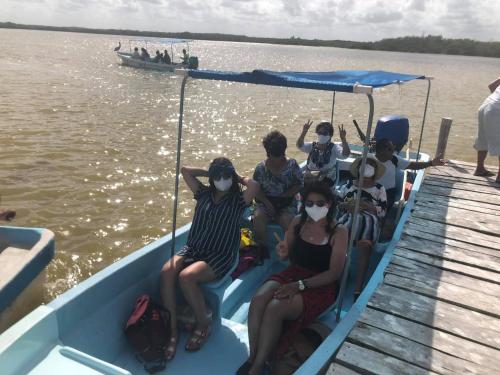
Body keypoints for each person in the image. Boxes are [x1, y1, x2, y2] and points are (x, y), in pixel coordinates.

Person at [237, 182, 348, 375]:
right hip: (295, 273)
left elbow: (334, 273)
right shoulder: (298, 222)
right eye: (309, 203)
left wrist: (300, 286)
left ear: (329, 204)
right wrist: (283, 252)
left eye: (320, 203)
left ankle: (257, 366)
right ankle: (253, 355)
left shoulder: (339, 232)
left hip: (321, 284)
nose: (314, 208)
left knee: (275, 307)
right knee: (258, 299)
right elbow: (286, 255)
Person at [160, 157, 259, 359]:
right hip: (194, 248)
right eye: (218, 176)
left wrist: (237, 176)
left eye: (226, 176)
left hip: (220, 255)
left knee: (186, 277)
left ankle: (204, 324)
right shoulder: (203, 193)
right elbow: (185, 170)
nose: (222, 179)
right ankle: (172, 330)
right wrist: (210, 172)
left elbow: (255, 185)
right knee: (167, 271)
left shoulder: (238, 200)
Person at [336, 156, 387, 299]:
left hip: (369, 221)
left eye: (371, 165)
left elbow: (382, 212)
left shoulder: (379, 189)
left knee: (365, 245)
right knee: (338, 239)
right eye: (364, 164)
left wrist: (365, 205)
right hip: (348, 217)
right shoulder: (347, 185)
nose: (367, 167)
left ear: (375, 171)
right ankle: (337, 277)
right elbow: (339, 204)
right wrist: (348, 205)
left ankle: (358, 289)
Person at [252, 131, 303, 254]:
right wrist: (267, 203)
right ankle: (262, 248)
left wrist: (285, 196)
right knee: (258, 218)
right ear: (268, 152)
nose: (276, 160)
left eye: (279, 155)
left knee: (287, 220)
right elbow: (255, 189)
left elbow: (299, 184)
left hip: (286, 202)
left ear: (283, 151)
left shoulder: (292, 165)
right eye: (272, 155)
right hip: (265, 202)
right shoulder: (260, 168)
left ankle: (290, 249)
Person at [374, 138, 446, 208]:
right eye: (390, 149)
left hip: (388, 193)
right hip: (371, 190)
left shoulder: (394, 159)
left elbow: (413, 165)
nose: (393, 151)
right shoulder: (369, 160)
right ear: (381, 151)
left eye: (393, 148)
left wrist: (431, 163)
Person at [296, 120, 350, 187]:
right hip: (310, 176)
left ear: (330, 135)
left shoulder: (334, 148)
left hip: (326, 178)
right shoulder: (312, 146)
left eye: (324, 133)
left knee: (317, 187)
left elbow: (345, 155)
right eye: (319, 132)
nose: (321, 135)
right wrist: (304, 132)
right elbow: (299, 146)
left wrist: (343, 139)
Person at [474, 77, 500, 182]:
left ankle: (479, 168)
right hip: (497, 109)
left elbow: (491, 86)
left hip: (486, 105)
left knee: (482, 138)